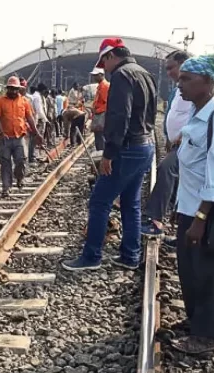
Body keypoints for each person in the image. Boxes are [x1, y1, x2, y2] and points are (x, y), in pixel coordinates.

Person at [62, 37, 155, 271]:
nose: (104, 69)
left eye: (104, 64)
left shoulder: (122, 76)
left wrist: (109, 154)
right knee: (130, 202)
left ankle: (91, 257)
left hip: (127, 148)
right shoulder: (145, 73)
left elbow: (119, 117)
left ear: (111, 55)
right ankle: (130, 255)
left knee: (99, 202)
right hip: (145, 145)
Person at [172, 53, 214, 354]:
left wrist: (200, 218)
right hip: (189, 209)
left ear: (209, 82)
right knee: (189, 271)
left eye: (187, 79)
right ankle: (195, 320)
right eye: (180, 77)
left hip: (205, 212)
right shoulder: (198, 113)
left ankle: (207, 337)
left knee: (206, 273)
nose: (180, 83)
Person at [142, 50, 192, 237]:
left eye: (171, 67)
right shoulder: (178, 89)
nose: (169, 72)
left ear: (183, 64)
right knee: (181, 184)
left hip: (189, 143)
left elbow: (199, 113)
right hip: (179, 143)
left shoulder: (196, 85)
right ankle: (182, 234)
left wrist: (181, 135)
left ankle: (155, 220)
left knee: (166, 169)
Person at [0, 76, 38, 197]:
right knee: (5, 163)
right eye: (11, 88)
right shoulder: (0, 101)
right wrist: (1, 133)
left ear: (19, 89)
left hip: (19, 137)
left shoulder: (24, 101)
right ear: (7, 88)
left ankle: (19, 178)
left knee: (21, 161)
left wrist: (36, 132)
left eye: (15, 89)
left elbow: (29, 117)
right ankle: (6, 187)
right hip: (5, 139)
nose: (13, 91)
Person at [90, 67, 110, 151]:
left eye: (96, 75)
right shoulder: (101, 86)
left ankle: (101, 154)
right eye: (94, 75)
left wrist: (97, 110)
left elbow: (108, 103)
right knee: (98, 135)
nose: (94, 77)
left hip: (102, 115)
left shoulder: (105, 86)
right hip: (99, 114)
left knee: (100, 135)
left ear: (102, 75)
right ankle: (100, 152)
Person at [29, 83, 47, 162]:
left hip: (34, 119)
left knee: (33, 139)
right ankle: (32, 157)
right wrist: (46, 120)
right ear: (42, 90)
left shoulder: (35, 96)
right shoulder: (37, 97)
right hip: (35, 120)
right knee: (34, 139)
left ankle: (33, 155)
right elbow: (39, 110)